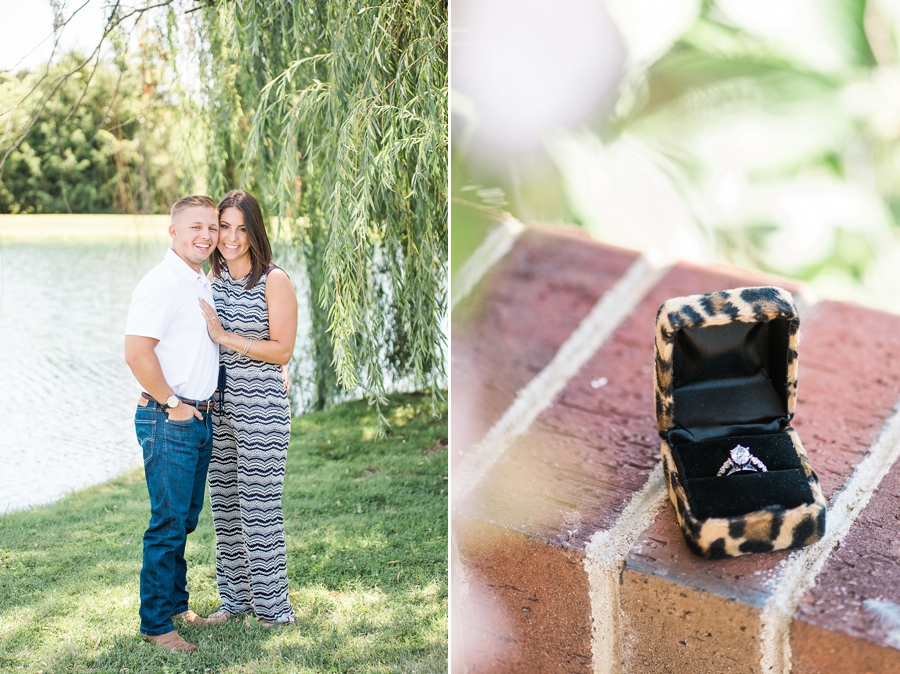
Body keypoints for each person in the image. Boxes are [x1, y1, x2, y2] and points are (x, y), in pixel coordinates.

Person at [124, 194, 220, 653]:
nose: (206, 235)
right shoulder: (162, 283)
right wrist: (173, 403)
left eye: (213, 227)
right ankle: (157, 624)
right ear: (174, 232)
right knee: (167, 523)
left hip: (197, 417)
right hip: (169, 418)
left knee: (184, 519)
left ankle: (178, 605)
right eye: (196, 227)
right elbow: (137, 353)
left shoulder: (197, 281)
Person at [199, 189, 298, 626]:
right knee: (225, 506)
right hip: (218, 408)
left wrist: (227, 338)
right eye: (224, 227)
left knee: (259, 509)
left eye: (241, 228)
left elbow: (284, 351)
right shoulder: (212, 283)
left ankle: (274, 610)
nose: (231, 237)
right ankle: (235, 602)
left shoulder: (274, 281)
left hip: (262, 409)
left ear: (254, 231)